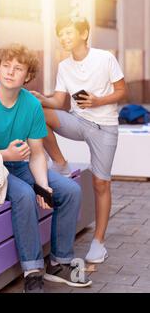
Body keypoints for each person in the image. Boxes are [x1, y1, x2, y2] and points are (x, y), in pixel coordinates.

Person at [0, 44, 92, 293]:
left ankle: (59, 263)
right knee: (24, 194)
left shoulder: (32, 105)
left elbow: (36, 155)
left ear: (27, 75)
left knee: (70, 191)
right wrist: (5, 154)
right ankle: (33, 270)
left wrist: (44, 186)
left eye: (18, 68)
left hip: (20, 165)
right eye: (6, 66)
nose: (10, 72)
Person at [32, 17, 127, 264]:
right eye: (60, 34)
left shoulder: (104, 58)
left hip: (104, 127)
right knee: (39, 113)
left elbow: (122, 91)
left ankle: (98, 242)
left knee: (100, 184)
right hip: (78, 121)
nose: (64, 38)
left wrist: (98, 101)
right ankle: (60, 162)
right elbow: (59, 102)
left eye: (68, 33)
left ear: (84, 34)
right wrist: (42, 98)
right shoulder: (64, 66)